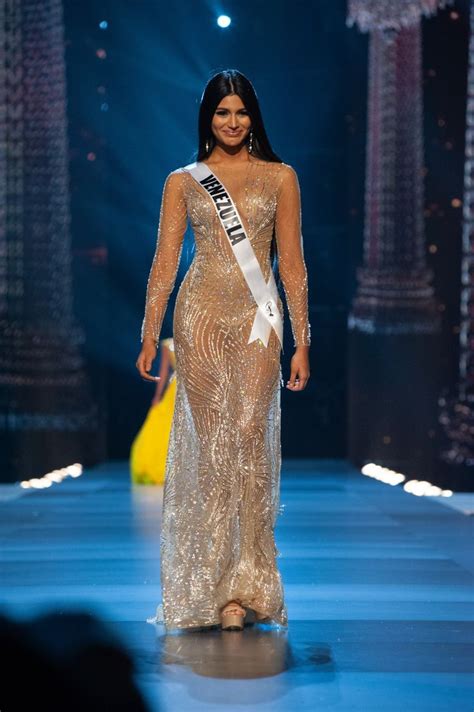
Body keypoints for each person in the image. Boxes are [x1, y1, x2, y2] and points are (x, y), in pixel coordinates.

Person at [135, 69, 311, 632]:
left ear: (253, 116)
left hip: (260, 320)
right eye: (221, 113)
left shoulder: (281, 177)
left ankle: (248, 582)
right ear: (207, 118)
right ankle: (215, 587)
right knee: (214, 452)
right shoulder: (183, 181)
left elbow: (293, 265)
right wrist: (149, 332)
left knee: (249, 441)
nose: (231, 122)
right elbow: (165, 261)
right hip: (200, 318)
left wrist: (302, 342)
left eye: (240, 112)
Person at [130, 337, 176, 485]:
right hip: (179, 389)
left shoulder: (169, 344)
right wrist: (158, 396)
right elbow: (164, 373)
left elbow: (164, 373)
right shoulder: (168, 344)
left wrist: (158, 396)